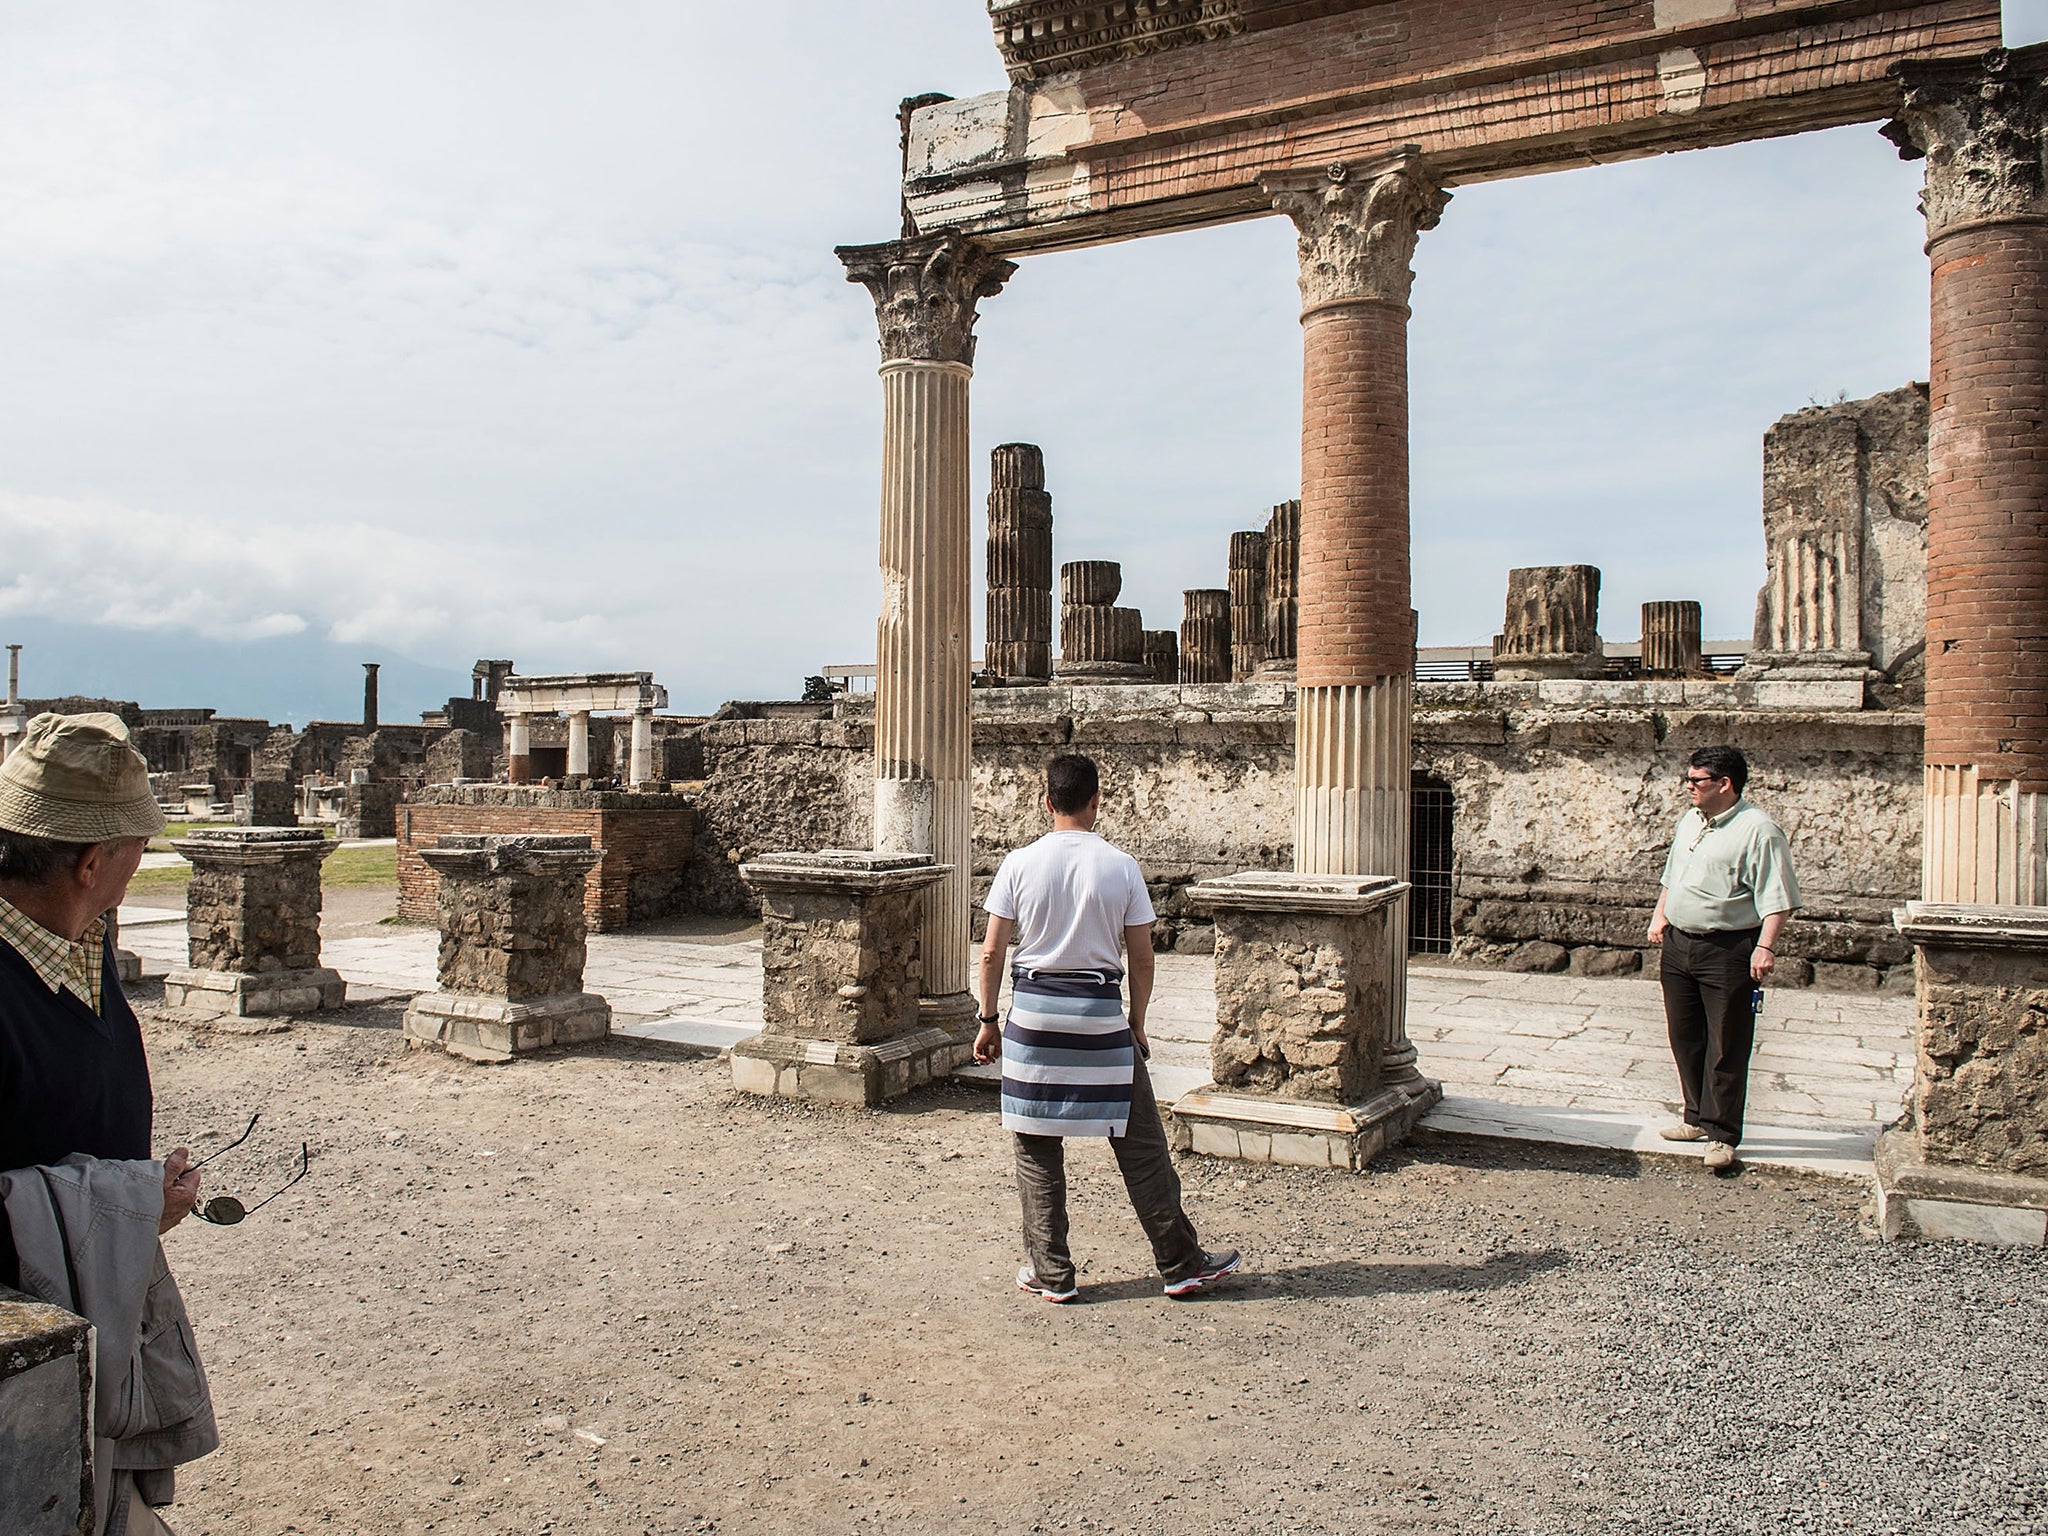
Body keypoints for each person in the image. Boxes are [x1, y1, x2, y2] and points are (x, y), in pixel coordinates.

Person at [0, 712, 214, 1534]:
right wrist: (120, 1208)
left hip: (78, 1352)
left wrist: (136, 1194)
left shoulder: (70, 949)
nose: (135, 871)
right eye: (135, 853)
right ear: (93, 862)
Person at [973, 752, 1239, 1302]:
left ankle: (1052, 1272)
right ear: (1097, 802)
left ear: (1046, 802)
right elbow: (1141, 959)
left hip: (1034, 1020)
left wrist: (988, 1020)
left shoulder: (1017, 864)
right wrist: (1136, 1021)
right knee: (1141, 1145)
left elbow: (992, 952)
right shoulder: (1121, 866)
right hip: (1099, 1020)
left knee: (1036, 1150)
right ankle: (1179, 1261)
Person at [1646, 744, 1801, 1172]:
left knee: (1726, 1044)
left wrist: (1765, 947)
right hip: (1679, 943)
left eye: (1696, 781)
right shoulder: (1691, 821)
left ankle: (1722, 1132)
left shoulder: (1759, 830)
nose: (1688, 787)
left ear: (1724, 784)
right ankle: (1696, 1116)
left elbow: (1777, 896)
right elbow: (1671, 874)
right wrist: (1660, 916)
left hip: (1728, 949)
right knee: (1685, 1036)